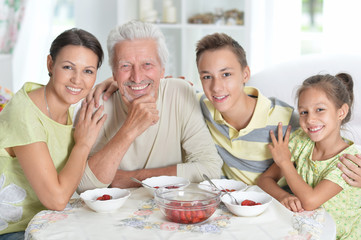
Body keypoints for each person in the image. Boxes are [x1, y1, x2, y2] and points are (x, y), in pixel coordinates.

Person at [76, 20, 223, 192]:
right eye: (125, 66)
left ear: (162, 70)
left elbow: (210, 169)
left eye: (147, 64)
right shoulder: (96, 106)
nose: (137, 77)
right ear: (114, 73)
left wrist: (133, 178)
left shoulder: (181, 93)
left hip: (171, 208)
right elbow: (84, 185)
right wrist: (130, 129)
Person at [0, 28, 106, 239]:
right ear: (50, 64)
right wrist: (82, 145)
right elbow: (56, 200)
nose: (77, 80)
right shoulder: (25, 114)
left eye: (88, 71)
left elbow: (81, 87)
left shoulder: (63, 103)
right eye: (68, 67)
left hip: (46, 222)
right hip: (13, 230)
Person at [257, 73, 361, 239]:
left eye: (320, 110)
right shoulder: (301, 141)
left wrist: (285, 162)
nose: (310, 119)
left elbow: (310, 201)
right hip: (308, 230)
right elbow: (264, 180)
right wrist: (284, 196)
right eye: (304, 112)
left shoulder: (350, 161)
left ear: (341, 112)